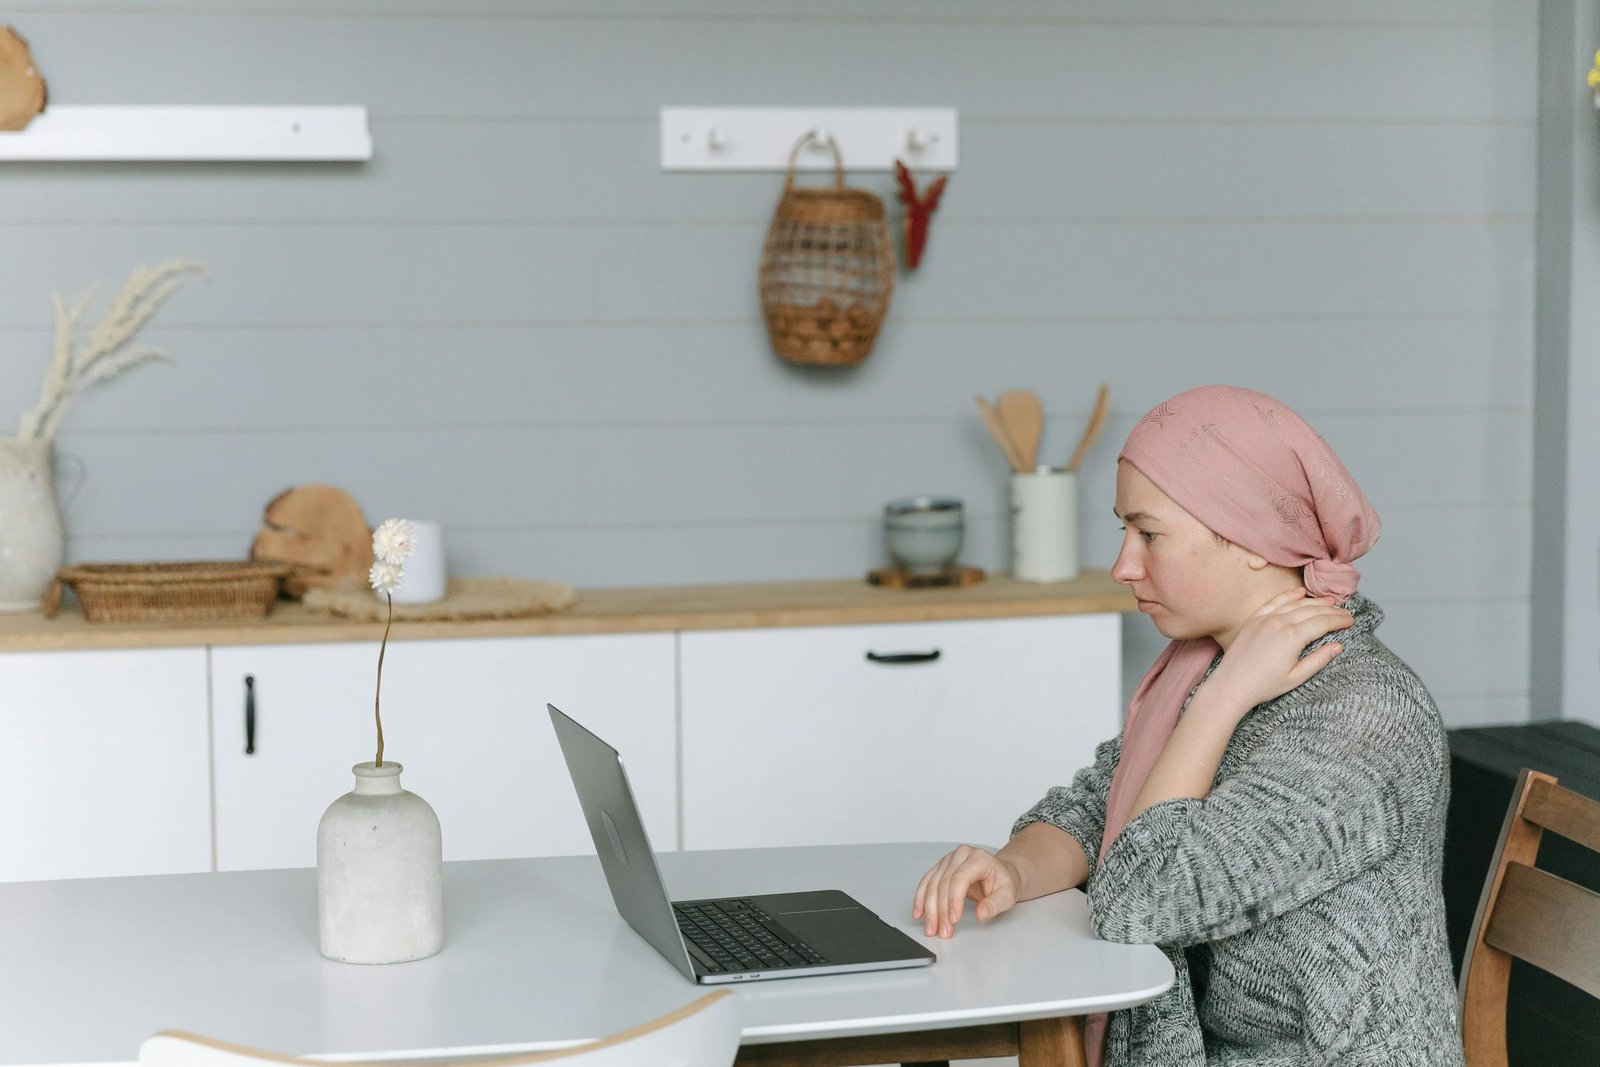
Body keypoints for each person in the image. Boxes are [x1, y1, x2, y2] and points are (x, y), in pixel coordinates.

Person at [913, 386, 1464, 1066]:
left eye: (1148, 533)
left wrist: (1218, 702)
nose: (1123, 564)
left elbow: (1139, 898)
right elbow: (1101, 806)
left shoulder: (1362, 717)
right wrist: (1012, 868)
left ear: (1255, 539)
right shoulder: (1209, 660)